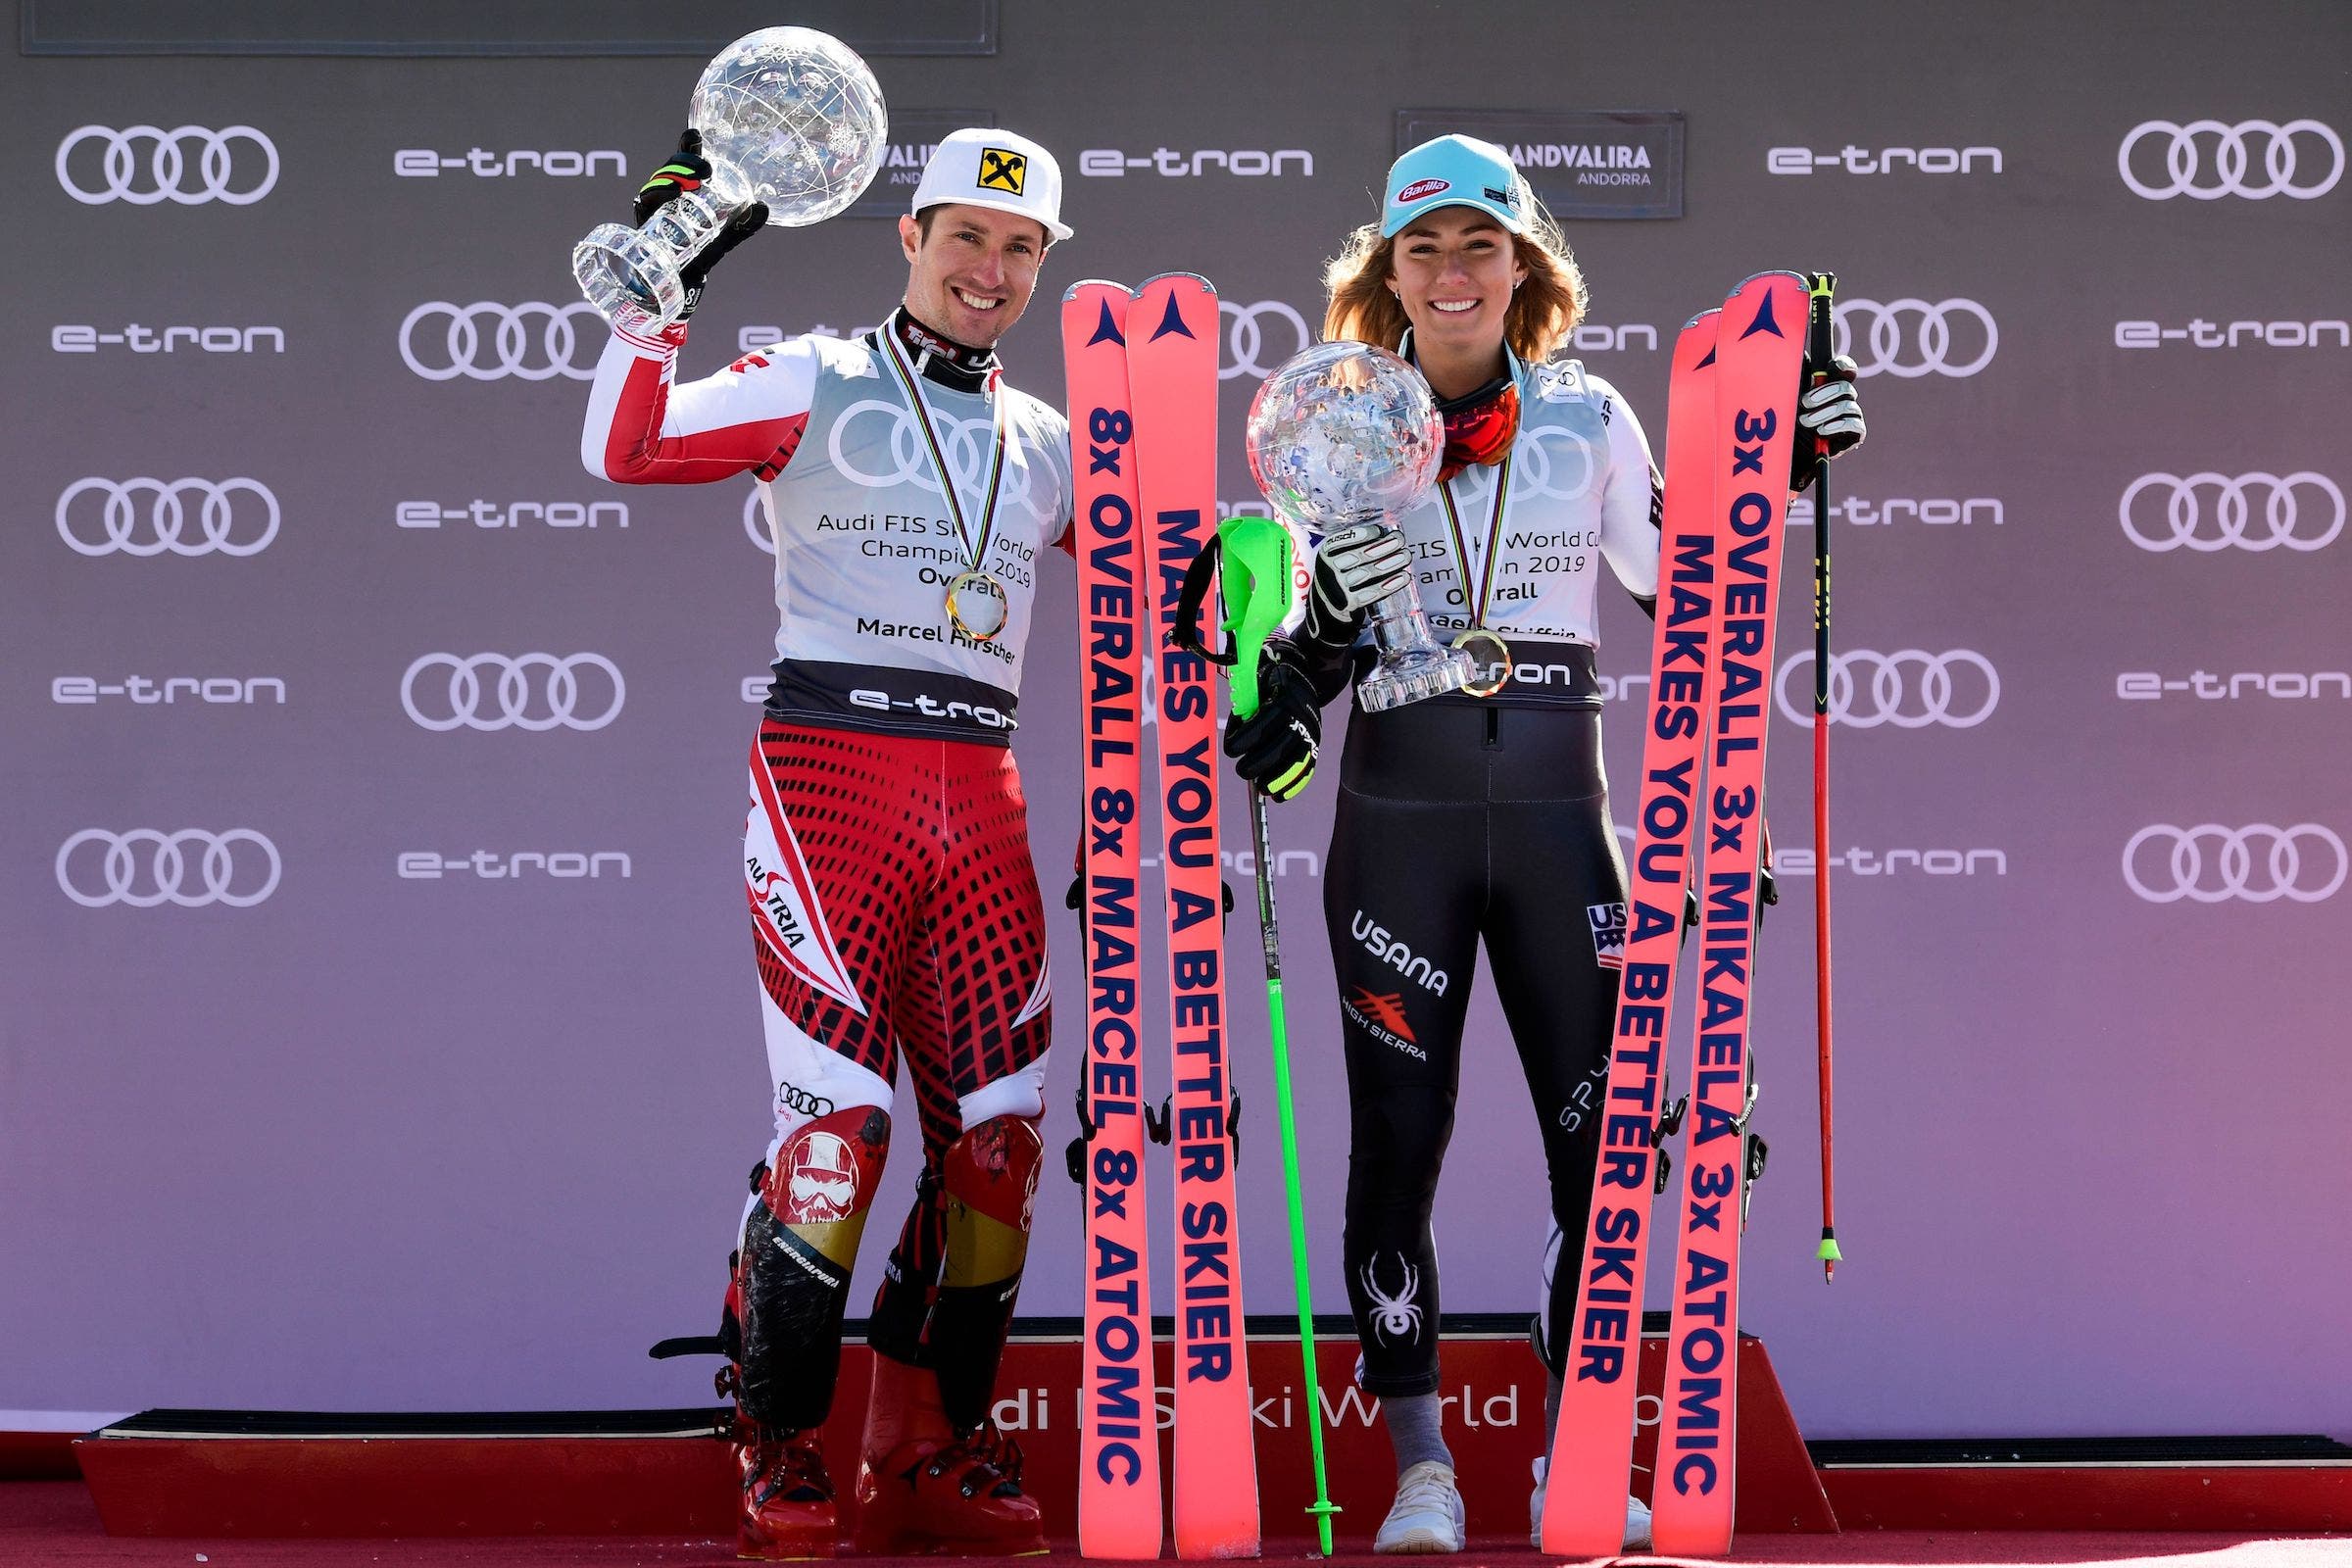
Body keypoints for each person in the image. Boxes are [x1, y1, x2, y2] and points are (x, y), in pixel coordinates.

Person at [1221, 134, 1865, 1554]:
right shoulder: (1332, 422)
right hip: (1400, 825)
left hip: (1564, 824)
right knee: (1397, 1143)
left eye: (1482, 246)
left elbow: (1695, 584)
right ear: (1387, 275)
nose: (1453, 274)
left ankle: (1579, 1446)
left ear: (1525, 270)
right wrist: (1307, 653)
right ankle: (1422, 1471)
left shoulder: (1588, 416)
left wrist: (1783, 457)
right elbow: (1280, 682)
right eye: (1425, 249)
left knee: (1604, 1145)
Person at [581, 126, 1075, 1559]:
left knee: (996, 1149)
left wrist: (1283, 555)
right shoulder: (815, 374)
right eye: (966, 236)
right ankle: (781, 1442)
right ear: (910, 237)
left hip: (981, 794)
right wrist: (659, 292)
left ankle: (928, 1443)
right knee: (836, 1141)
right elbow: (626, 446)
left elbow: (1186, 581)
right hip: (830, 782)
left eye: (1021, 248)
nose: (990, 270)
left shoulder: (1053, 440)